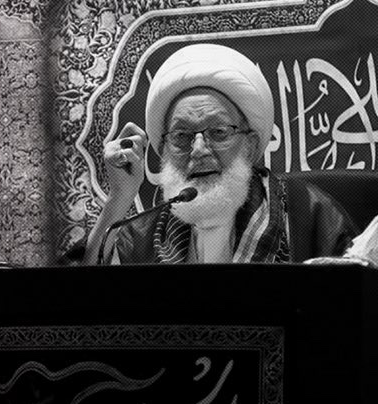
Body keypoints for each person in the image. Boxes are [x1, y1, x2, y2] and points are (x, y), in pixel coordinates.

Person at [83, 43, 359, 265]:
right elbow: (79, 303)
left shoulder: (307, 214)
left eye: (218, 132)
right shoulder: (144, 235)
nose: (199, 149)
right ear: (164, 150)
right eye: (181, 136)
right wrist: (120, 197)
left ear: (250, 147)